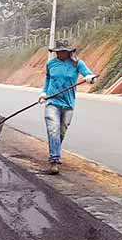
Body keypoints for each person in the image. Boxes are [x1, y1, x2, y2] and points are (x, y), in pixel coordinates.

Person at [39, 40, 98, 175]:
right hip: (52, 101)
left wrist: (90, 78)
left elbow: (91, 76)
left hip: (68, 104)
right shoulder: (51, 64)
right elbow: (48, 79)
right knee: (53, 129)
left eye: (63, 51)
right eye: (58, 52)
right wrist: (44, 93)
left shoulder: (77, 63)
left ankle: (56, 152)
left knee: (61, 132)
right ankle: (54, 160)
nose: (60, 54)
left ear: (69, 52)